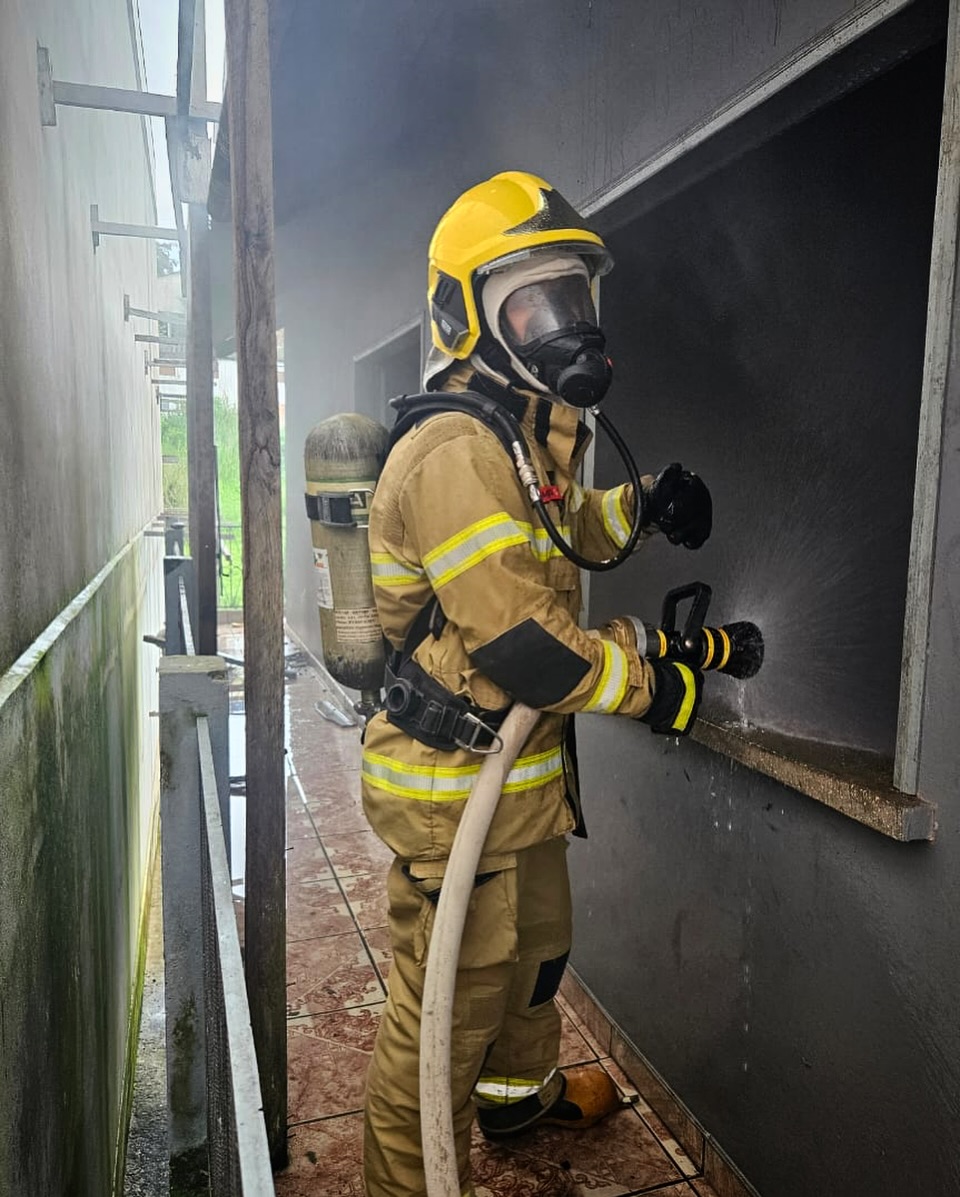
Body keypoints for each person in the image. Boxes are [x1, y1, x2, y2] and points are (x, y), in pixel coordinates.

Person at [361, 170, 713, 1197]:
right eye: (536, 302)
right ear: (465, 315)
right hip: (451, 794)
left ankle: (518, 1107)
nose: (568, 325)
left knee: (537, 961)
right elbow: (531, 648)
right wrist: (658, 687)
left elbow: (554, 538)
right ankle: (408, 1180)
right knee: (440, 1024)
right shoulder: (454, 451)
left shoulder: (517, 439)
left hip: (517, 790)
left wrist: (643, 505)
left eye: (576, 299)